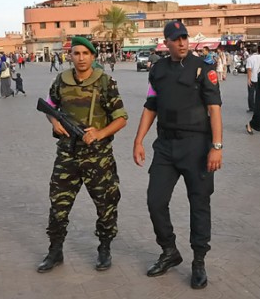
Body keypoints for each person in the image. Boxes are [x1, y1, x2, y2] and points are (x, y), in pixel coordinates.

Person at [133, 21, 222, 290]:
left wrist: (216, 146)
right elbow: (151, 105)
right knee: (155, 201)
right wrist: (139, 140)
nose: (182, 42)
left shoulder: (203, 70)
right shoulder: (157, 70)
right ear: (166, 42)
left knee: (199, 203)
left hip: (197, 145)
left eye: (184, 37)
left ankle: (198, 261)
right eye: (176, 38)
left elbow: (215, 108)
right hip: (166, 147)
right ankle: (169, 250)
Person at [37, 36, 128, 273]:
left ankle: (104, 248)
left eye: (85, 54)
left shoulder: (105, 82)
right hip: (67, 155)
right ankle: (55, 251)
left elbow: (121, 118)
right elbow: (49, 105)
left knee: (106, 205)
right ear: (70, 56)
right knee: (58, 205)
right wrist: (54, 119)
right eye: (76, 54)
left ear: (93, 57)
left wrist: (99, 133)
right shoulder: (62, 80)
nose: (81, 58)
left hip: (98, 157)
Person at [246, 47, 260, 112]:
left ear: (250, 51)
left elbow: (249, 70)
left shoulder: (249, 59)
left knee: (251, 93)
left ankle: (252, 107)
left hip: (253, 78)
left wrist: (249, 79)